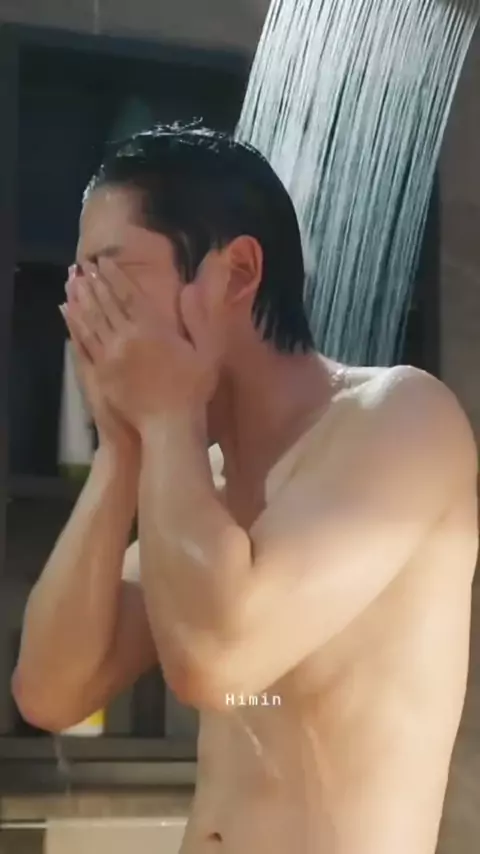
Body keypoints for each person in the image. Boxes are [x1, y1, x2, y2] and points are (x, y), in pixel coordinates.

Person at [12, 124, 478, 854]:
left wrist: (165, 419)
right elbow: (49, 690)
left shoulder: (402, 420)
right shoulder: (204, 482)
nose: (83, 304)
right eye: (80, 279)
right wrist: (121, 454)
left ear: (235, 274)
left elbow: (218, 659)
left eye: (111, 272)